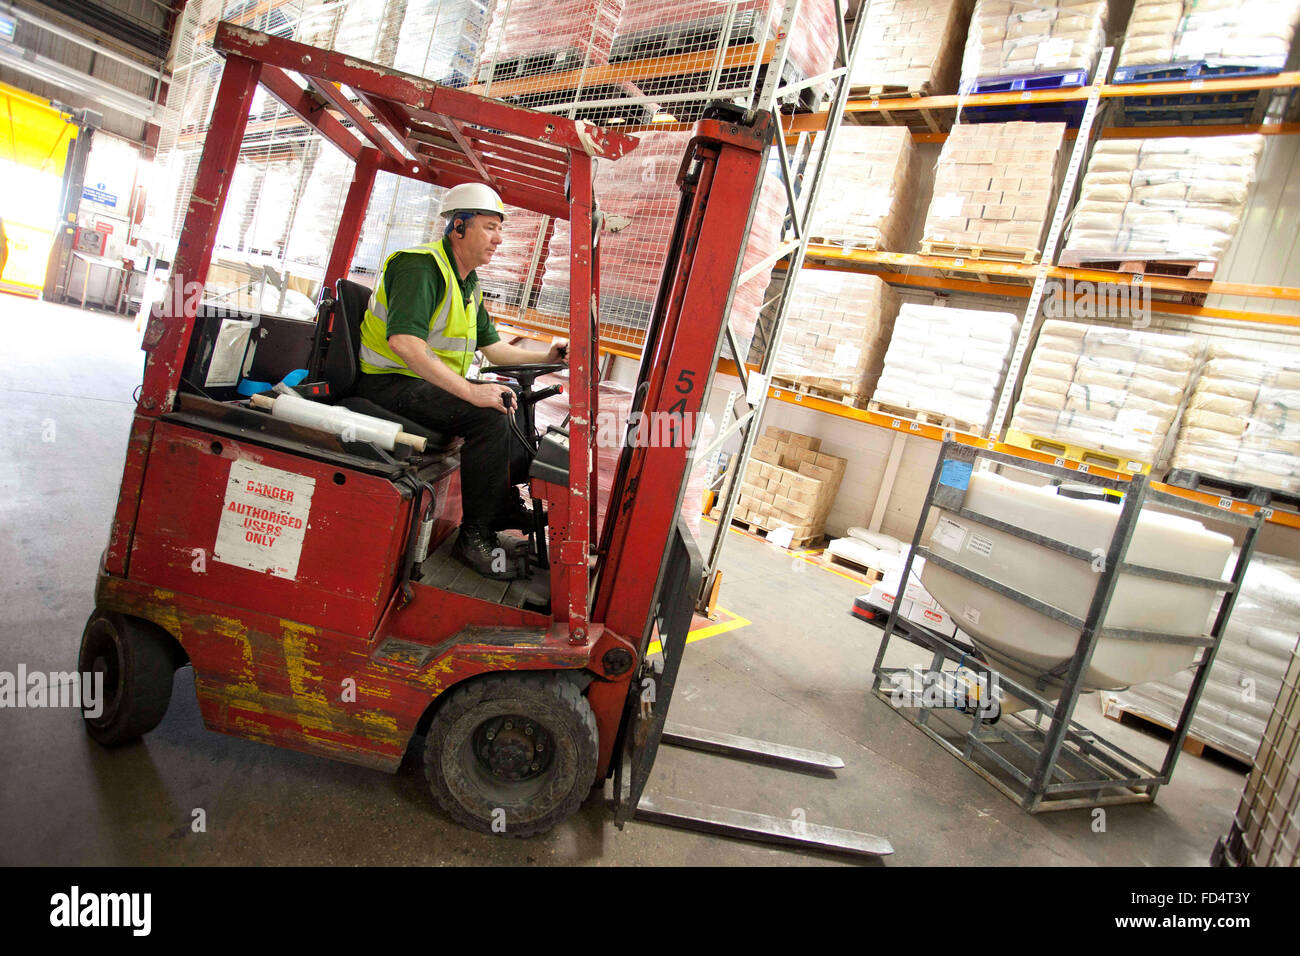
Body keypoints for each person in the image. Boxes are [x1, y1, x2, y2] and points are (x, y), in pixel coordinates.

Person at [356, 182, 565, 581]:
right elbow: (404, 342)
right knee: (486, 416)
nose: (499, 239)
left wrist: (548, 357)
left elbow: (497, 350)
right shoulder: (420, 267)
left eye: (499, 229)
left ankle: (501, 505)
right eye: (490, 227)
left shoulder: (468, 284)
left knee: (507, 403)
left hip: (420, 382)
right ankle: (477, 535)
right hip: (388, 382)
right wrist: (470, 391)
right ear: (459, 227)